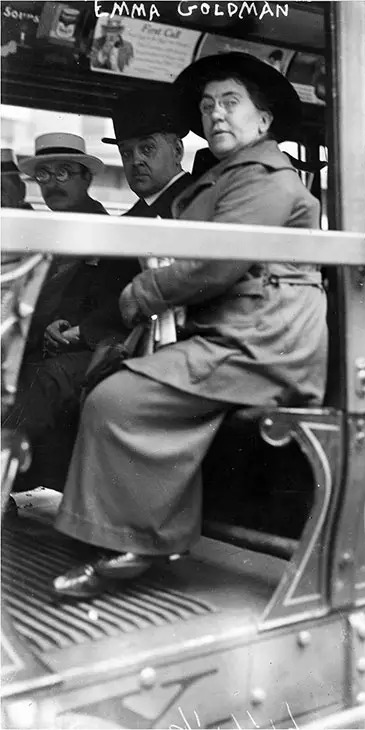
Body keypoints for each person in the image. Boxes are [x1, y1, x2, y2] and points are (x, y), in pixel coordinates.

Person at [52, 52, 328, 600]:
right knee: (110, 379)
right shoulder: (228, 177)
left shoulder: (264, 176)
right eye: (207, 106)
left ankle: (133, 543)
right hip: (236, 331)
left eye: (230, 103)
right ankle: (125, 531)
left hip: (264, 339)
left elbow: (212, 264)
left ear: (263, 121)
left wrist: (138, 295)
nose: (216, 115)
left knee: (119, 398)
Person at [6, 134, 137, 491]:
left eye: (63, 173)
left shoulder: (112, 234)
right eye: (44, 175)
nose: (52, 184)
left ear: (87, 178)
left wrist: (77, 330)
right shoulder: (42, 235)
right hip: (36, 347)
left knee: (38, 381)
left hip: (87, 350)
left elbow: (124, 303)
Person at [102, 87, 192, 219]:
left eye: (147, 148)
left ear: (177, 151)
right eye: (126, 153)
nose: (135, 161)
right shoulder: (134, 216)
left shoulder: (199, 204)